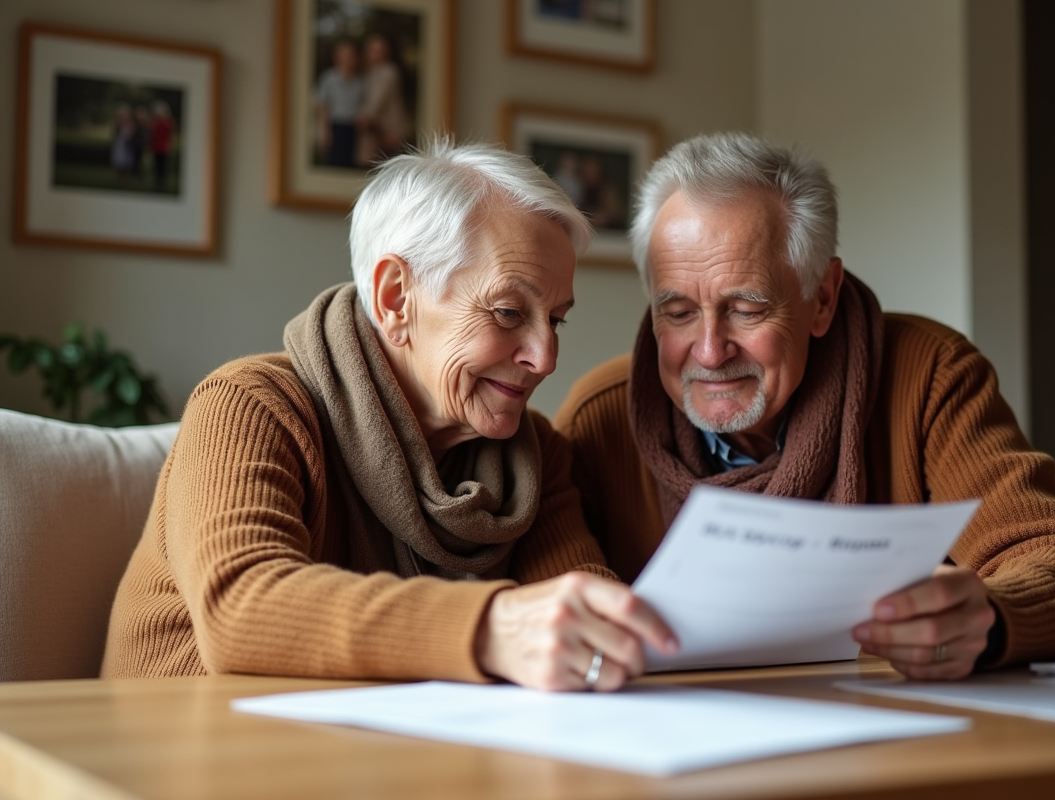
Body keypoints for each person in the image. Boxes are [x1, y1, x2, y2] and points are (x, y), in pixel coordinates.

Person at [554, 132, 1055, 681]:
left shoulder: (928, 377)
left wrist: (995, 615)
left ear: (822, 298)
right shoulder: (601, 416)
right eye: (677, 312)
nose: (709, 350)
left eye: (747, 308)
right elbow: (552, 603)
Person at [102, 139, 677, 691]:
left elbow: (577, 602)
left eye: (555, 320)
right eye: (507, 312)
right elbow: (240, 607)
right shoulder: (252, 406)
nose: (545, 357)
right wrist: (491, 628)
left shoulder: (535, 456)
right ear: (396, 298)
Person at [355, 33, 408, 168]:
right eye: (373, 50)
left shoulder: (389, 71)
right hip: (375, 131)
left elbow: (377, 100)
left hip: (387, 131)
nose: (376, 54)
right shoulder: (369, 73)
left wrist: (365, 118)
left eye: (380, 50)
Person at [314, 39, 363, 169]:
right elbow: (322, 106)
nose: (349, 59)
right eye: (345, 55)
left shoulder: (359, 81)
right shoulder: (328, 78)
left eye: (351, 55)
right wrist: (325, 130)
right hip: (335, 126)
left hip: (353, 129)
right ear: (337, 57)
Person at [150, 100, 175, 191]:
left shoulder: (167, 122)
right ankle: (157, 183)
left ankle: (163, 184)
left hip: (164, 149)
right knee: (157, 167)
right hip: (157, 148)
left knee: (163, 167)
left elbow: (169, 134)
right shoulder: (156, 122)